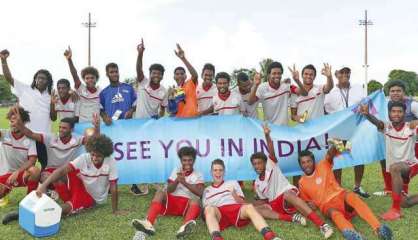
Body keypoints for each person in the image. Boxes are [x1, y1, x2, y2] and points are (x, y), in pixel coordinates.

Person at [2, 134, 125, 225]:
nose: (94, 158)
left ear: (105, 153)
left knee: (62, 211)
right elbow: (61, 170)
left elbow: (113, 188)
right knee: (59, 173)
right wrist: (43, 185)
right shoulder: (85, 158)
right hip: (80, 185)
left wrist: (115, 210)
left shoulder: (111, 162)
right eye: (92, 154)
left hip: (91, 197)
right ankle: (37, 204)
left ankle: (25, 216)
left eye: (98, 156)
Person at [251, 123, 333, 239]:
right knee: (255, 210)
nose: (257, 166)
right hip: (275, 204)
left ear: (265, 162)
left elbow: (271, 150)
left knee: (288, 194)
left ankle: (322, 225)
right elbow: (264, 201)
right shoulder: (257, 183)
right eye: (254, 164)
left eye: (259, 163)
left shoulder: (271, 165)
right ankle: (294, 218)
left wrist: (267, 136)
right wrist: (249, 204)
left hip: (287, 196)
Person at [298, 144, 393, 240]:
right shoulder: (302, 182)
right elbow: (307, 203)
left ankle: (379, 228)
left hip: (340, 196)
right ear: (300, 165)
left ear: (313, 161)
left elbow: (330, 154)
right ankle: (355, 236)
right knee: (334, 213)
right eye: (303, 163)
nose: (306, 165)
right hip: (327, 206)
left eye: (308, 161)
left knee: (352, 196)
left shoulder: (323, 164)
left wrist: (336, 145)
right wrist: (312, 205)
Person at [14, 108, 100, 201]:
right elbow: (30, 134)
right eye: (60, 127)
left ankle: (63, 196)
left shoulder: (78, 139)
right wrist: (19, 123)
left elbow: (94, 141)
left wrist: (96, 127)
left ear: (71, 129)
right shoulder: (50, 137)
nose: (61, 130)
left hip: (67, 170)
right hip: (51, 170)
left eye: (64, 128)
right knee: (45, 176)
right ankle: (65, 199)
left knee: (81, 178)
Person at [360, 101, 418, 221]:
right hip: (398, 171)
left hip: (410, 166)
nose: (396, 114)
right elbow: (378, 123)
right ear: (389, 113)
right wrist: (367, 114)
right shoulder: (387, 127)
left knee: (394, 168)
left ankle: (395, 211)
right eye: (394, 111)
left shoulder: (410, 127)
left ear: (404, 113)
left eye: (400, 111)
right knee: (405, 203)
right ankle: (399, 205)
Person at [131, 147, 203, 239]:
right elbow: (169, 190)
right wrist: (177, 180)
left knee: (196, 200)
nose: (187, 163)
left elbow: (200, 193)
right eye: (184, 160)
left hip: (187, 205)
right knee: (160, 192)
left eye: (190, 160)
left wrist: (185, 183)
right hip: (172, 203)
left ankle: (185, 228)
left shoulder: (198, 174)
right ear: (181, 160)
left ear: (194, 160)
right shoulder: (176, 170)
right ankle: (148, 224)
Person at [203, 159, 282, 240]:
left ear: (224, 172)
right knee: (209, 208)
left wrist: (234, 194)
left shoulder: (233, 183)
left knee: (249, 207)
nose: (218, 173)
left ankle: (270, 236)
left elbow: (242, 203)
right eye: (215, 170)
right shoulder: (207, 190)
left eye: (220, 170)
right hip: (219, 213)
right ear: (211, 172)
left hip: (234, 209)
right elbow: (206, 213)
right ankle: (217, 238)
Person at [1, 49, 53, 170]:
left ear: (48, 81)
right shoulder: (25, 89)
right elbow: (9, 78)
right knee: (26, 169)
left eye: (43, 78)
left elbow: (54, 115)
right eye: (38, 78)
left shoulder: (50, 96)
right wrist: (3, 61)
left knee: (46, 167)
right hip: (25, 135)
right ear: (35, 79)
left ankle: (46, 189)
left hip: (42, 137)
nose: (40, 80)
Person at [324, 67, 369, 198]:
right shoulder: (331, 91)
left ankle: (357, 186)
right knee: (338, 159)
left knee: (359, 158)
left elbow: (365, 103)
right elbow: (326, 111)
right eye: (341, 72)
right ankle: (338, 187)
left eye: (347, 72)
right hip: (338, 130)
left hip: (355, 130)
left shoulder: (358, 88)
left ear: (350, 74)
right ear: (336, 75)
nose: (344, 75)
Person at [373, 80, 418, 196]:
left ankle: (403, 192)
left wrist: (416, 121)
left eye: (398, 90)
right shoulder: (385, 104)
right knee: (385, 162)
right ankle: (389, 189)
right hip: (391, 140)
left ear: (404, 92)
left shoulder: (412, 105)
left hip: (410, 142)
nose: (395, 93)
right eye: (392, 91)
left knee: (404, 167)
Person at [0, 107, 40, 223]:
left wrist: (17, 172)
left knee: (35, 171)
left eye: (16, 120)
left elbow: (32, 160)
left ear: (23, 122)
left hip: (20, 174)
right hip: (4, 176)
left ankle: (30, 202)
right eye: (11, 120)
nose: (13, 123)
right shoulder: (4, 134)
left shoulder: (29, 139)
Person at [64, 46, 101, 123]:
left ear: (96, 79)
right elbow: (74, 74)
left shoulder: (101, 92)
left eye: (92, 78)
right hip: (82, 125)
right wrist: (69, 60)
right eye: (87, 78)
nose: (90, 80)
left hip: (97, 125)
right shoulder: (81, 89)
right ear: (84, 79)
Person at [135, 38, 168, 120]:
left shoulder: (164, 91)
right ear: (150, 74)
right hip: (138, 123)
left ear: (162, 76)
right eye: (154, 73)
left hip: (153, 126)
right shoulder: (143, 82)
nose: (156, 75)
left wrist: (159, 118)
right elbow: (139, 69)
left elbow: (162, 109)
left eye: (159, 74)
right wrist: (140, 54)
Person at [167, 44, 199, 117]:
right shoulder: (173, 90)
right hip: (179, 122)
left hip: (192, 120)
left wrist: (183, 58)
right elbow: (170, 111)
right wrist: (170, 98)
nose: (180, 76)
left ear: (186, 76)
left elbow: (195, 75)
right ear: (174, 77)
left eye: (182, 74)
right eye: (177, 74)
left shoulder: (190, 83)